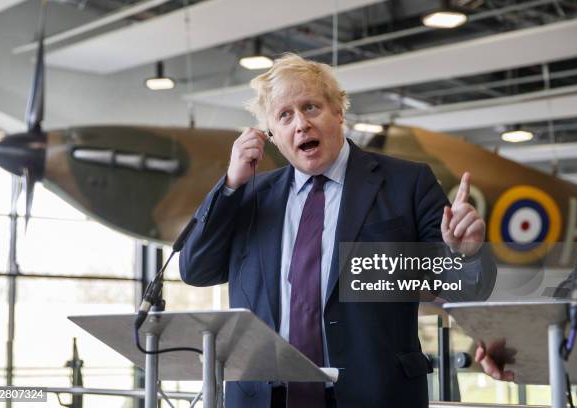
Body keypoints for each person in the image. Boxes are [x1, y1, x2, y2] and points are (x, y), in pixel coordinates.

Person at [180, 53, 494, 408]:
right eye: (285, 115)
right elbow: (196, 269)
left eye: (311, 107)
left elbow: (464, 288)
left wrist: (463, 253)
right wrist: (231, 186)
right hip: (264, 398)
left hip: (374, 395)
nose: (300, 124)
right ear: (272, 135)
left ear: (339, 112)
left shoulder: (407, 182)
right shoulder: (250, 195)